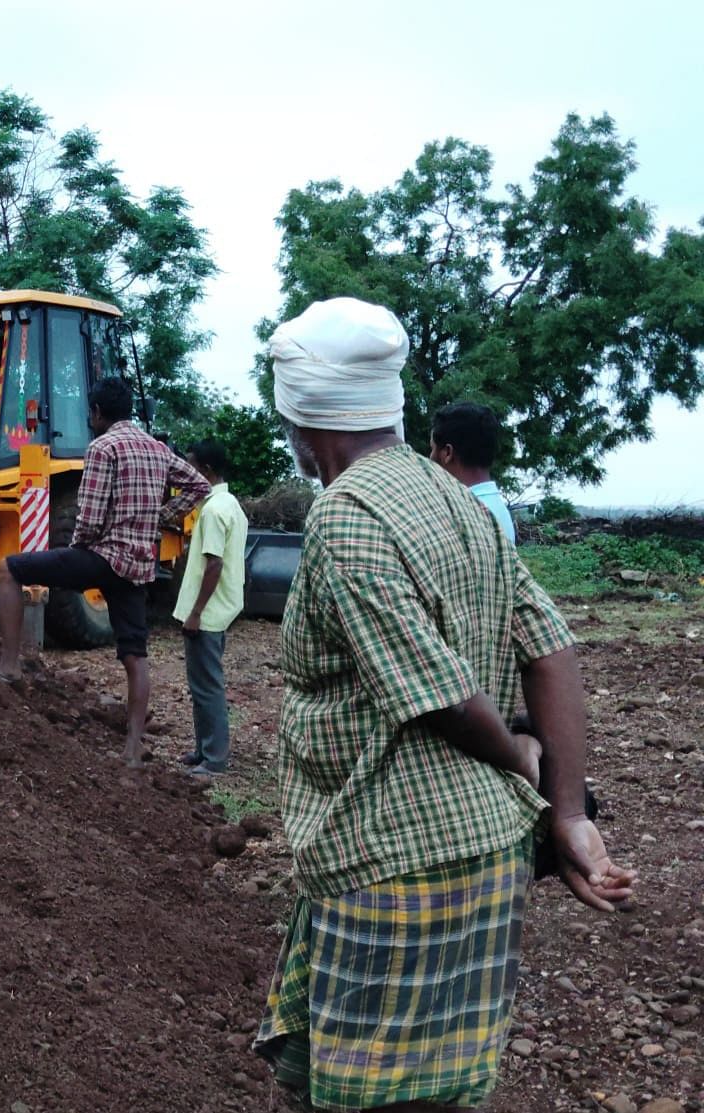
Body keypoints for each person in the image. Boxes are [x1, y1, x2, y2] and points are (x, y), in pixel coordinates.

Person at [253, 297, 634, 1112]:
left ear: (300, 419)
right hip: (482, 850)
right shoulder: (460, 499)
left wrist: (525, 758)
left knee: (370, 1094)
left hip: (390, 857)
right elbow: (551, 646)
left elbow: (442, 701)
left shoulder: (345, 519)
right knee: (415, 1087)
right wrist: (565, 811)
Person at [0, 376, 211, 766]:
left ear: (96, 412)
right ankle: (131, 750)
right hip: (137, 568)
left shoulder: (103, 448)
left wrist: (76, 550)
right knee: (135, 655)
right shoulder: (157, 450)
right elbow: (198, 485)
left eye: (90, 413)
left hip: (101, 558)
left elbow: (89, 518)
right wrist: (162, 517)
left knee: (9, 569)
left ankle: (8, 666)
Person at [171, 439, 248, 776]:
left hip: (209, 613)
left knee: (207, 686)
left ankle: (214, 759)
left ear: (206, 470)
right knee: (202, 684)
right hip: (219, 608)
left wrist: (196, 612)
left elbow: (213, 565)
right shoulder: (229, 504)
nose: (189, 473)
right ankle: (204, 750)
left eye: (192, 466)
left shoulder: (215, 511)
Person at [430, 401, 517, 544]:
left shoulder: (460, 518)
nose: (430, 457)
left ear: (447, 453)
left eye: (432, 448)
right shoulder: (497, 510)